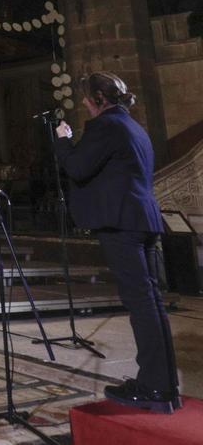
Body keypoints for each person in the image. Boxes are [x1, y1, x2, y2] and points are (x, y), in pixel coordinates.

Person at [55, 71, 180, 413]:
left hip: (121, 222)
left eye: (86, 97)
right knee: (151, 301)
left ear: (99, 98)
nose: (82, 102)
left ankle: (154, 386)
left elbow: (78, 167)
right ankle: (166, 384)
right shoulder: (135, 128)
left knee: (141, 303)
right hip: (145, 220)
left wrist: (64, 139)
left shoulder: (106, 125)